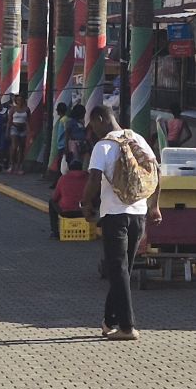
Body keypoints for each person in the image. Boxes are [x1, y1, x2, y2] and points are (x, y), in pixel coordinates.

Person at [83, 105, 160, 341]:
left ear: (100, 119)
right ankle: (109, 321)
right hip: (138, 214)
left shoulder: (103, 146)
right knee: (122, 270)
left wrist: (85, 204)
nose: (92, 131)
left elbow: (94, 178)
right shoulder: (137, 138)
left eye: (92, 125)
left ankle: (127, 327)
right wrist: (154, 206)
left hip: (114, 216)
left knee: (118, 270)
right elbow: (156, 170)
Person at [50, 159, 89, 239]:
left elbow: (55, 197)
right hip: (84, 212)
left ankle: (55, 232)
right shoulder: (88, 178)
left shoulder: (63, 178)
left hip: (66, 212)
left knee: (51, 202)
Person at [8, 97, 30, 174]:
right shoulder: (13, 109)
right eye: (18, 100)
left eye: (21, 100)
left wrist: (28, 131)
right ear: (16, 101)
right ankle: (12, 164)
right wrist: (7, 131)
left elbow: (28, 120)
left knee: (21, 148)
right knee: (14, 147)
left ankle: (19, 166)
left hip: (23, 128)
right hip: (14, 128)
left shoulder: (26, 109)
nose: (19, 101)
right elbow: (9, 120)